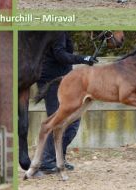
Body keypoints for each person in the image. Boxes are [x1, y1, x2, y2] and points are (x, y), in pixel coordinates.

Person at [38, 32, 98, 174]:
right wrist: (83, 58)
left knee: (73, 121)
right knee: (56, 120)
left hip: (65, 80)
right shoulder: (58, 31)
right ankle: (47, 162)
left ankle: (58, 157)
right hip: (52, 80)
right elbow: (60, 55)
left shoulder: (64, 32)